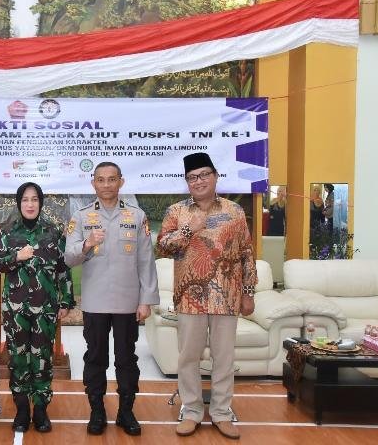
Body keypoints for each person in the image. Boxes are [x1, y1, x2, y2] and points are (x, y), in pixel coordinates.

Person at [157, 152, 257, 440]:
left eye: (204, 175)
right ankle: (191, 411)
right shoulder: (177, 212)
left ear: (215, 176)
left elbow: (246, 252)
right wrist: (189, 230)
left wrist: (248, 292)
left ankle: (222, 413)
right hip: (190, 297)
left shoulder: (234, 212)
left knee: (224, 358)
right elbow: (162, 246)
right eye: (192, 177)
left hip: (227, 296)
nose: (198, 181)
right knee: (188, 357)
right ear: (186, 182)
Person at [65, 161, 159, 437]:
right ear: (93, 183)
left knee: (126, 359)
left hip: (127, 302)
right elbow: (69, 258)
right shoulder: (81, 216)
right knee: (95, 358)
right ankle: (97, 411)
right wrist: (87, 243)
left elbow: (146, 260)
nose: (106, 184)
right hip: (95, 302)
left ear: (121, 182)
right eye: (101, 180)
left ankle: (126, 411)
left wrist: (146, 300)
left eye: (112, 179)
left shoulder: (137, 215)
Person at [0, 182, 75, 433]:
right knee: (18, 360)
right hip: (15, 310)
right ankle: (21, 409)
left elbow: (63, 269)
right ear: (19, 203)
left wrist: (66, 301)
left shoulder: (53, 232)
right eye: (25, 200)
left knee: (42, 360)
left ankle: (40, 410)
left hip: (45, 310)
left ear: (40, 203)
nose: (30, 204)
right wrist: (16, 257)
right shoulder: (7, 233)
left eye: (34, 199)